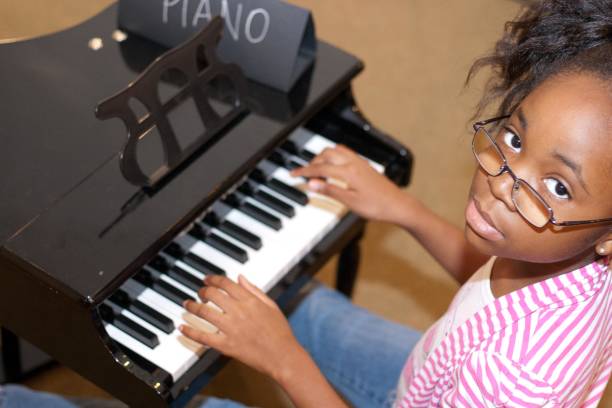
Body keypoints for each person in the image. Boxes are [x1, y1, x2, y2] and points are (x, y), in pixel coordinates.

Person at [1, 0, 611, 406]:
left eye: (557, 185)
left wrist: (282, 361)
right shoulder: (578, 257)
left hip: (448, 388)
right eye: (513, 137)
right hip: (432, 372)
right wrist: (403, 208)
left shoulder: (515, 380)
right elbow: (489, 282)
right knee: (284, 294)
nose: (502, 181)